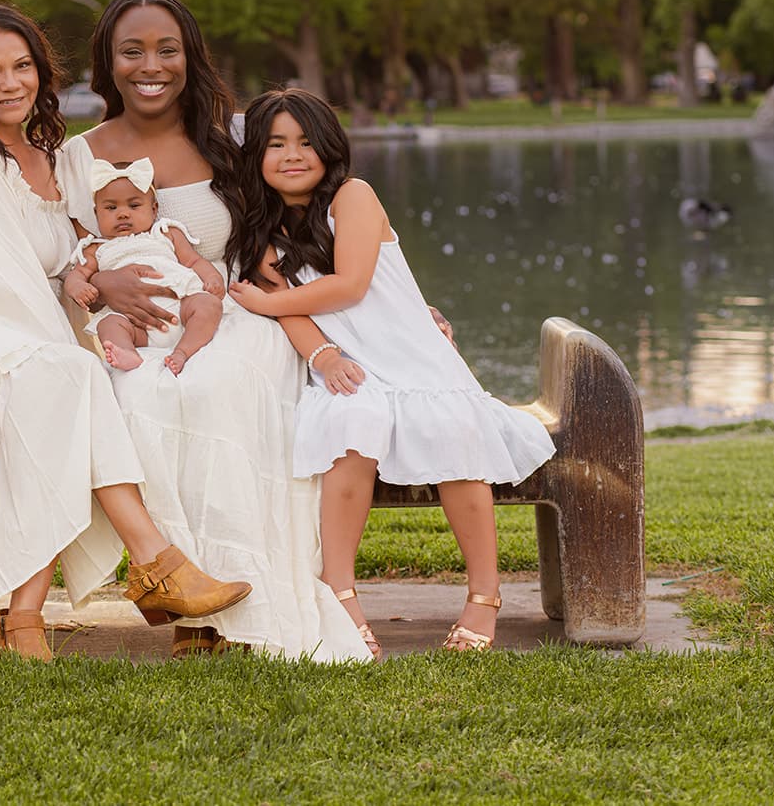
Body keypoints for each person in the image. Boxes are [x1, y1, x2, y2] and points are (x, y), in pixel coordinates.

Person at [0, 2, 252, 660]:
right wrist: (79, 332)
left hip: (18, 326)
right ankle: (153, 564)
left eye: (22, 66)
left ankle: (28, 617)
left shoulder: (50, 158)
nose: (10, 83)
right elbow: (10, 275)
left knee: (66, 391)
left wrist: (98, 286)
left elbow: (64, 266)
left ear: (41, 71)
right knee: (73, 382)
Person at [58, 0, 372, 662]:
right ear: (107, 63)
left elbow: (308, 227)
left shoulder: (228, 141)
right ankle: (179, 583)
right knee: (137, 393)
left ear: (189, 56)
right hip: (126, 328)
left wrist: (399, 304)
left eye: (167, 49)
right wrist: (96, 283)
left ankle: (232, 604)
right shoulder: (77, 156)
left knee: (219, 386)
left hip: (229, 315)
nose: (152, 64)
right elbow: (52, 253)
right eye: (132, 50)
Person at [228, 88, 558, 653]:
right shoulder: (263, 235)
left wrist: (262, 302)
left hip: (412, 353)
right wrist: (322, 356)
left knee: (454, 431)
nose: (293, 154)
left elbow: (351, 283)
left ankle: (484, 594)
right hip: (350, 363)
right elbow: (299, 314)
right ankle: (341, 593)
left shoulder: (353, 197)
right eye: (276, 143)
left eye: (307, 142)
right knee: (350, 425)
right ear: (255, 155)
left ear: (330, 148)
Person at [63, 156, 226, 375]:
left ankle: (183, 351)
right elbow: (77, 274)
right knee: (109, 324)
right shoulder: (96, 248)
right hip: (136, 323)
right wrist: (77, 287)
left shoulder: (166, 233)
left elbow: (193, 260)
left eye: (134, 205)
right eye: (111, 208)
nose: (122, 213)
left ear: (154, 209)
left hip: (180, 306)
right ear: (96, 214)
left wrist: (212, 278)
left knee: (208, 305)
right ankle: (127, 352)